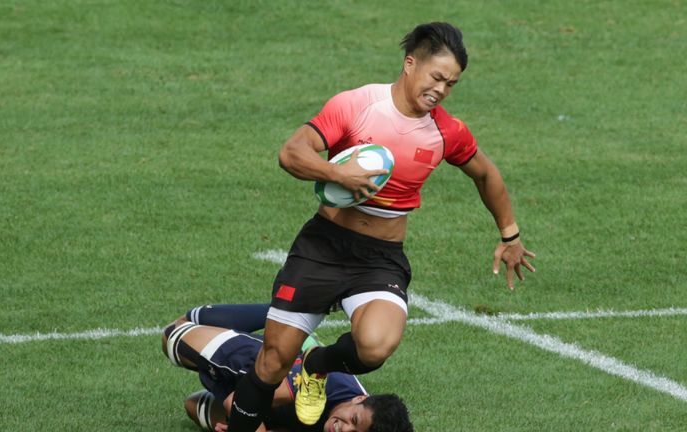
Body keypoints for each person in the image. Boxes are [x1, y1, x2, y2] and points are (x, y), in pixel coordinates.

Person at [227, 22, 536, 431]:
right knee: (271, 362)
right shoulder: (357, 105)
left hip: (379, 259)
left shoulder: (446, 131)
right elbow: (291, 153)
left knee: (376, 346)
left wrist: (509, 234)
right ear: (410, 64)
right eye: (437, 77)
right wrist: (339, 175)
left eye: (451, 84)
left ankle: (316, 366)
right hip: (322, 249)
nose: (441, 89)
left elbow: (486, 175)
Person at [162, 303, 413, 432]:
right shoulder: (324, 386)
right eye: (353, 419)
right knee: (174, 334)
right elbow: (239, 400)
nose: (344, 429)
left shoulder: (342, 418)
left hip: (270, 397)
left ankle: (293, 322)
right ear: (360, 398)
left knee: (195, 406)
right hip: (256, 371)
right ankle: (287, 314)